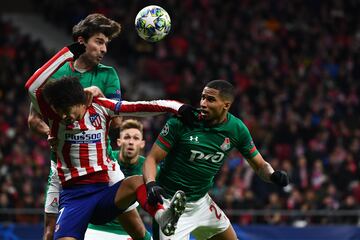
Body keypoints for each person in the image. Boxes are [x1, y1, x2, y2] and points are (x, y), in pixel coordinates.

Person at [25, 43, 195, 239]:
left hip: (104, 190)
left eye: (67, 111)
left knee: (136, 182)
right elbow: (32, 86)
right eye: (60, 112)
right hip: (74, 197)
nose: (64, 116)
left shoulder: (102, 106)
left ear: (81, 102)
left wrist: (178, 107)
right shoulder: (55, 117)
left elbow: (141, 106)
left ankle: (162, 215)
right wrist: (69, 52)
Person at [143, 80, 289, 240]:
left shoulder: (237, 129)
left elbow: (260, 165)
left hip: (201, 203)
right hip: (171, 205)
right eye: (203, 97)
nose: (203, 103)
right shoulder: (181, 122)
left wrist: (273, 175)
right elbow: (152, 158)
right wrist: (151, 184)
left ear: (226, 105)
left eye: (210, 100)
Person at [27, 13, 128, 240]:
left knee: (133, 223)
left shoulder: (108, 75)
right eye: (99, 42)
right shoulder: (57, 74)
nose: (104, 49)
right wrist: (50, 133)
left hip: (103, 165)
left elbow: (118, 123)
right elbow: (34, 120)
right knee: (50, 231)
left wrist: (102, 96)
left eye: (106, 44)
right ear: (82, 41)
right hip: (62, 167)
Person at [85, 119, 155, 239]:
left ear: (142, 143)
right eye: (127, 137)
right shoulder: (106, 160)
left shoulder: (149, 169)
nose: (131, 142)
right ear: (119, 141)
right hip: (96, 229)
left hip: (128, 232)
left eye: (136, 138)